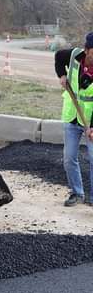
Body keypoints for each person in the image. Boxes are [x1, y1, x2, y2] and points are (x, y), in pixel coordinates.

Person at [55, 32, 93, 206]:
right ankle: (77, 193)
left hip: (90, 120)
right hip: (72, 116)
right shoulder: (73, 55)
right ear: (87, 50)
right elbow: (58, 57)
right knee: (69, 158)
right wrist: (62, 75)